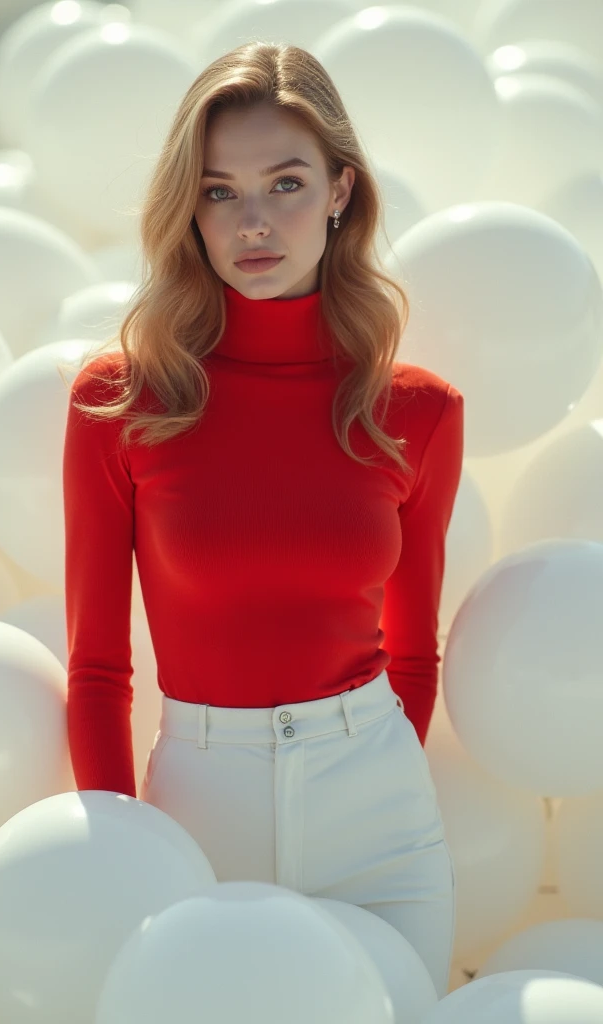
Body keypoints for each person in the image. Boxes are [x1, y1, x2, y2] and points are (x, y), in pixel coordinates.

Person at [62, 41, 463, 998]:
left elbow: (413, 657)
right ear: (187, 210)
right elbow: (97, 669)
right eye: (217, 192)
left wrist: (366, 763)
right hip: (202, 813)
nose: (252, 222)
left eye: (284, 183)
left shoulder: (417, 411)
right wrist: (123, 850)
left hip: (380, 824)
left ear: (340, 189)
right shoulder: (122, 402)